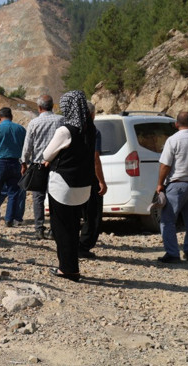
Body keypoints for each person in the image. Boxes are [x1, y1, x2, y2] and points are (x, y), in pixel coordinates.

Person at [43, 91, 96, 282]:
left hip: (63, 187)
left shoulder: (65, 131)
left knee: (61, 229)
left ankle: (68, 269)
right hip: (83, 187)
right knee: (74, 228)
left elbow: (46, 155)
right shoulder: (90, 130)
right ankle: (71, 266)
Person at [155, 111, 188, 264]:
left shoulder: (173, 140)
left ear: (176, 124)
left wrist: (160, 184)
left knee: (167, 220)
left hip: (177, 185)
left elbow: (165, 165)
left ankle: (172, 253)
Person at [21, 95, 63, 239]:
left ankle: (39, 229)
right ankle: (54, 230)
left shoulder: (34, 123)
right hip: (57, 165)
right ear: (52, 106)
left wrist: (24, 163)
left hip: (38, 165)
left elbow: (28, 146)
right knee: (55, 197)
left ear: (39, 108)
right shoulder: (61, 120)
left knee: (38, 198)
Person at [0, 107, 26, 226]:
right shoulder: (20, 129)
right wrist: (24, 162)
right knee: (13, 192)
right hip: (16, 163)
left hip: (0, 163)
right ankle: (9, 219)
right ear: (12, 116)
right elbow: (26, 147)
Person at [78, 102, 107, 259]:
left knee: (75, 213)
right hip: (89, 177)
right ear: (92, 114)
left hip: (72, 177)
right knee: (92, 214)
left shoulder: (71, 129)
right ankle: (83, 246)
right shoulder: (93, 132)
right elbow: (95, 158)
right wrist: (101, 181)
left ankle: (71, 245)